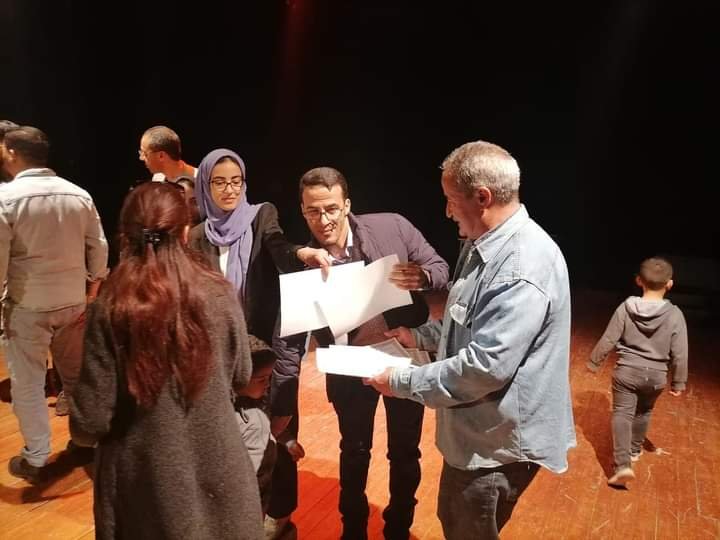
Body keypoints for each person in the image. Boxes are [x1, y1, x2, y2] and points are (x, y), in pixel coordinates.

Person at [366, 140, 576, 540]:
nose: (447, 211)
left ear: (482, 197)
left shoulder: (519, 266)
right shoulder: (484, 245)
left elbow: (484, 368)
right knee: (455, 519)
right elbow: (464, 321)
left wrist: (400, 381)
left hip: (496, 449)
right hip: (477, 437)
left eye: (451, 199)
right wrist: (417, 336)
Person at [69, 181, 263, 539]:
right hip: (222, 477)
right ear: (185, 231)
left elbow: (89, 424)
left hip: (146, 493)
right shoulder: (220, 293)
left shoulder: (110, 307)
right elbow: (241, 376)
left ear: (124, 235)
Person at [298, 166, 449, 540]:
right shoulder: (302, 258)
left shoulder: (391, 226)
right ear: (302, 211)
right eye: (313, 211)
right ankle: (353, 530)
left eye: (331, 209)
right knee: (353, 450)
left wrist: (423, 277)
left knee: (405, 450)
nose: (323, 220)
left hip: (401, 354)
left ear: (347, 205)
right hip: (348, 364)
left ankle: (398, 527)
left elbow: (440, 267)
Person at [188, 148, 328, 538]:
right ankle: (237, 507)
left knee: (279, 432)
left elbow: (278, 246)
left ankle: (279, 513)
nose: (230, 190)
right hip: (221, 351)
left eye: (236, 181)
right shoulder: (197, 236)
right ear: (205, 186)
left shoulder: (261, 215)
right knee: (232, 434)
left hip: (265, 348)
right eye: (219, 182)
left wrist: (302, 253)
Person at [0, 126, 109, 483]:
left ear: (12, 153)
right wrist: (93, 286)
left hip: (26, 305)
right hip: (72, 301)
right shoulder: (78, 194)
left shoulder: (5, 198)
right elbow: (99, 246)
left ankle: (35, 457)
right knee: (76, 377)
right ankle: (86, 440)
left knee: (28, 383)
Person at [587, 256, 688, 487]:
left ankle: (622, 465)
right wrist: (678, 382)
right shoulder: (675, 315)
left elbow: (609, 338)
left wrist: (594, 362)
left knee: (622, 413)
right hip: (656, 376)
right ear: (669, 284)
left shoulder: (626, 307)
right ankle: (634, 450)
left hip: (627, 372)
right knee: (644, 411)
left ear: (638, 281)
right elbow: (680, 352)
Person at [236, 335, 279, 515]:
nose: (268, 384)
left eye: (269, 377)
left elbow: (267, 422)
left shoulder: (259, 401)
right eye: (262, 379)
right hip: (244, 500)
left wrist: (288, 440)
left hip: (260, 491)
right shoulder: (241, 420)